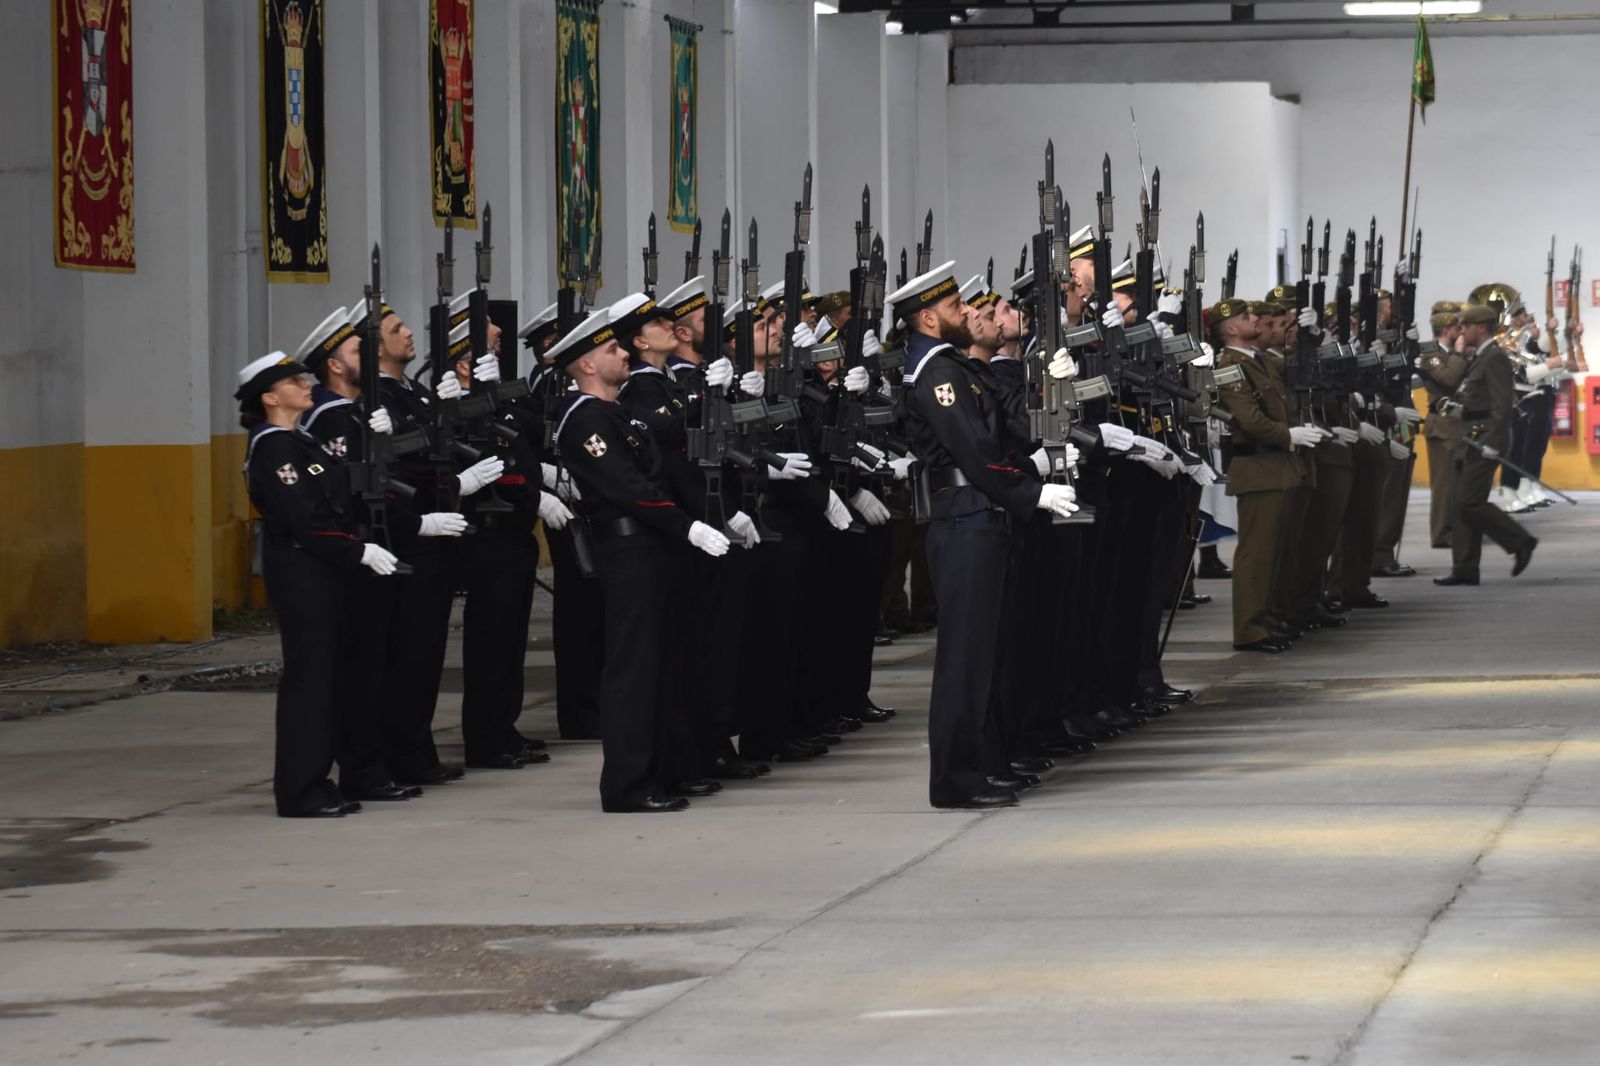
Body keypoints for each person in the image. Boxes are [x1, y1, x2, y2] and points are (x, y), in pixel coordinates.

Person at [894, 260, 1079, 809]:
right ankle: (955, 780)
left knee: (988, 655)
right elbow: (975, 452)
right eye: (955, 307)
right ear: (929, 319)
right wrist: (1030, 491)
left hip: (982, 514)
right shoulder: (937, 373)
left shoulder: (954, 367)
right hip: (964, 520)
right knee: (965, 661)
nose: (967, 312)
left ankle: (987, 762)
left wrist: (1052, 387)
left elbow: (1000, 433)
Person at [550, 309, 732, 812]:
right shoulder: (584, 419)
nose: (623, 353)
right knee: (634, 669)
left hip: (656, 548)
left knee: (665, 664)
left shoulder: (619, 415)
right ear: (587, 365)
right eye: (612, 350)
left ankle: (668, 768)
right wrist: (685, 524)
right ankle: (628, 785)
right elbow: (628, 487)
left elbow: (664, 467)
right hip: (628, 550)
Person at [236, 350, 402, 818]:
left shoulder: (301, 440)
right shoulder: (273, 447)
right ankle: (300, 790)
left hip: (327, 569)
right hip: (302, 570)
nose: (307, 385)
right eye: (294, 382)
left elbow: (344, 493)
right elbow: (304, 520)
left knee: (331, 680)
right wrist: (356, 550)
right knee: (310, 683)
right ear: (270, 398)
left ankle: (321, 781)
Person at [1212, 299, 1323, 653]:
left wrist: (1312, 336)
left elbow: (1298, 367)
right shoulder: (1230, 367)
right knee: (1257, 555)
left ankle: (1269, 619)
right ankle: (1249, 630)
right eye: (1246, 317)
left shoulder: (1257, 361)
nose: (1255, 319)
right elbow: (1250, 420)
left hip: (1277, 467)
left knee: (1277, 552)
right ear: (1231, 329)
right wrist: (1288, 435)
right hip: (1258, 467)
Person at [1434, 303, 1538, 585]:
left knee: (1470, 502)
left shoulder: (1495, 358)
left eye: (1465, 326)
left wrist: (1494, 442)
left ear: (1480, 328)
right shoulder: (1481, 356)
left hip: (1485, 439)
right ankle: (1464, 569)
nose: (1461, 331)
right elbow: (1479, 398)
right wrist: (1460, 409)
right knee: (1460, 505)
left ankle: (1521, 541)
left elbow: (1502, 405)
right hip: (1469, 436)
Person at [1418, 304, 1467, 549]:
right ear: (1447, 330)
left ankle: (1456, 529)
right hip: (1442, 427)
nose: (1462, 331)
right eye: (1458, 327)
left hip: (1458, 426)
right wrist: (1459, 354)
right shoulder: (1431, 356)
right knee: (1444, 486)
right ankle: (1441, 534)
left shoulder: (1453, 354)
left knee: (1458, 485)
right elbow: (1448, 379)